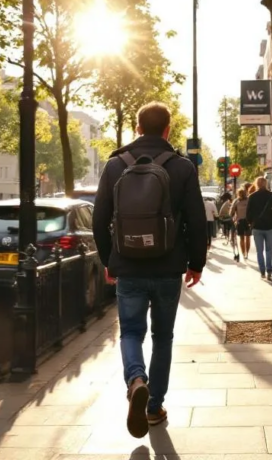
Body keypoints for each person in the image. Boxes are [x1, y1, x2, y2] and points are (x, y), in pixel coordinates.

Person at [92, 101, 207, 439]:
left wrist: (109, 261)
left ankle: (136, 379)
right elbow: (197, 220)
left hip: (128, 265)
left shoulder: (115, 165)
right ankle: (154, 406)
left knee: (130, 332)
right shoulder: (182, 167)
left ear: (138, 128)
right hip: (168, 266)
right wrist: (196, 263)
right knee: (163, 337)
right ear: (168, 130)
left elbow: (99, 220)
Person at [246, 176, 272, 280]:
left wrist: (251, 222)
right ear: (266, 183)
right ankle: (269, 271)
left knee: (259, 251)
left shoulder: (252, 196)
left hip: (257, 227)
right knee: (269, 250)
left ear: (257, 184)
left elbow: (248, 213)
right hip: (270, 227)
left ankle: (262, 272)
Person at [230, 187, 251, 261]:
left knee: (243, 238)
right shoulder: (248, 200)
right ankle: (245, 253)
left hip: (241, 221)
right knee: (247, 237)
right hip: (247, 221)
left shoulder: (236, 201)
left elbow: (231, 212)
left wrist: (233, 217)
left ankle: (244, 253)